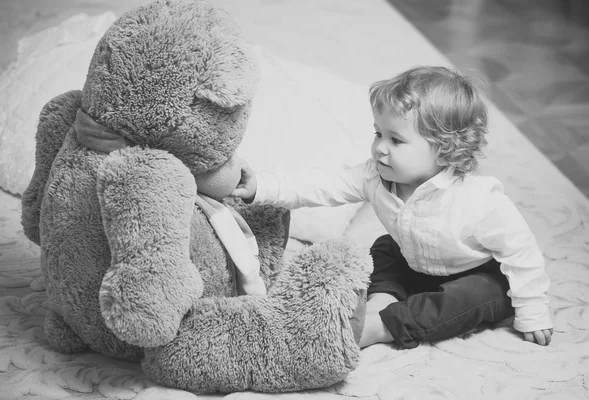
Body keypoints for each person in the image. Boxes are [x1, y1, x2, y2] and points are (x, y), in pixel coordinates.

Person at [231, 66, 553, 349]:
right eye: (378, 133)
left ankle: (384, 325)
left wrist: (533, 311)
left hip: (475, 273)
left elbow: (521, 251)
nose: (380, 148)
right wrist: (261, 185)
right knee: (384, 247)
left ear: (444, 150)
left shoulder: (478, 200)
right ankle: (381, 298)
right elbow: (323, 184)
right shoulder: (374, 175)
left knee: (472, 298)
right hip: (416, 260)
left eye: (396, 141)